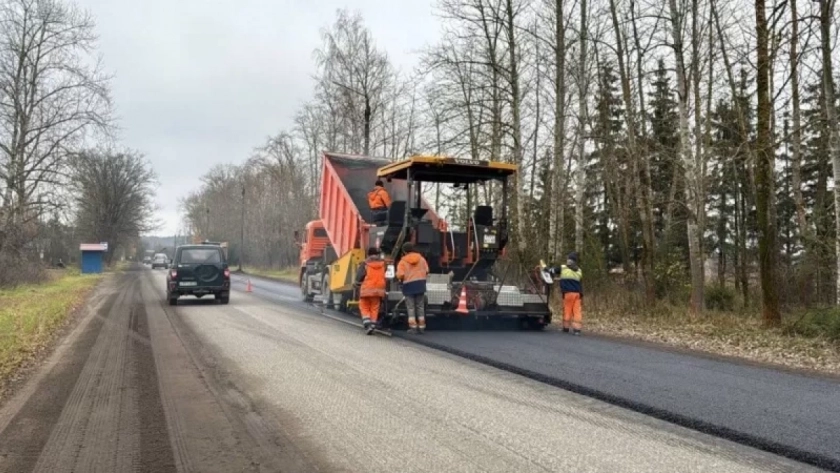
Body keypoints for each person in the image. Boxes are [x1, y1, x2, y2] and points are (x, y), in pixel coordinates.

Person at [547, 252, 583, 335]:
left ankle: (566, 328)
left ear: (569, 260)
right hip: (577, 294)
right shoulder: (579, 270)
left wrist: (546, 269)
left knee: (567, 310)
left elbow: (551, 271)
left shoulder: (563, 268)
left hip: (568, 293)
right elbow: (580, 283)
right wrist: (581, 294)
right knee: (577, 311)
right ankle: (577, 330)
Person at [396, 242, 429, 334]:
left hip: (409, 285)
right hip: (420, 284)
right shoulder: (421, 259)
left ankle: (413, 327)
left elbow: (400, 275)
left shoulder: (403, 262)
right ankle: (422, 326)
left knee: (411, 307)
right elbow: (427, 270)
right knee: (420, 306)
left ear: (404, 251)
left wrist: (399, 277)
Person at [354, 247, 387, 335]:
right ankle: (373, 325)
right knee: (375, 307)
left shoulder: (365, 263)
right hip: (378, 289)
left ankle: (367, 324)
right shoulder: (383, 264)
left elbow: (359, 276)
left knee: (364, 306)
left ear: (368, 254)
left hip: (367, 288)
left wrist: (356, 284)